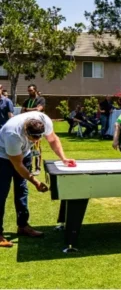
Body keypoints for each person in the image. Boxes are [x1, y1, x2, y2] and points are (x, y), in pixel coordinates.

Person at [0, 111, 75, 247]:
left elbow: (52, 139)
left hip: (23, 152)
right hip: (3, 157)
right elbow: (17, 164)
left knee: (22, 190)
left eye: (38, 137)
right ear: (25, 131)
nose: (36, 140)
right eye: (33, 138)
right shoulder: (12, 134)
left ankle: (23, 226)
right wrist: (35, 181)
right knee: (0, 194)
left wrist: (63, 158)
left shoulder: (44, 120)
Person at [21, 84, 46, 176]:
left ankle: (38, 167)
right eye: (28, 91)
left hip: (37, 127)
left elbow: (38, 110)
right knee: (27, 146)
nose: (29, 92)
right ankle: (28, 166)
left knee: (36, 146)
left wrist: (27, 109)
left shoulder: (41, 99)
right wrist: (29, 110)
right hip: (27, 127)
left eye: (31, 90)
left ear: (35, 90)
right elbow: (21, 111)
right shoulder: (26, 101)